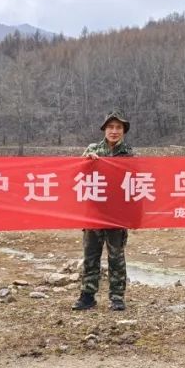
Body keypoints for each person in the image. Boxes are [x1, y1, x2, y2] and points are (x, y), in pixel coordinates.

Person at [72, 110, 134, 312]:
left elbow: (136, 183)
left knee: (116, 257)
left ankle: (117, 297)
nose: (114, 131)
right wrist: (86, 161)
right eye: (110, 127)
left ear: (123, 131)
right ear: (104, 130)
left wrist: (134, 216)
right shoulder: (93, 149)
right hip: (94, 213)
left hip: (117, 214)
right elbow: (76, 173)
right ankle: (87, 295)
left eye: (118, 127)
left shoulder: (129, 154)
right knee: (91, 255)